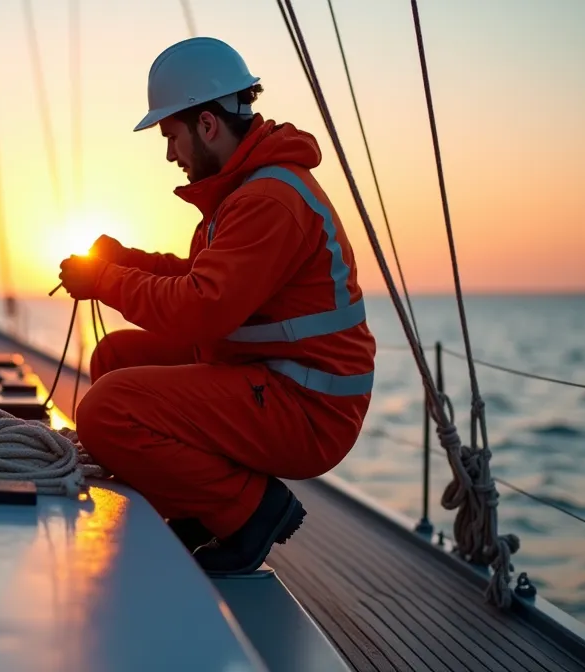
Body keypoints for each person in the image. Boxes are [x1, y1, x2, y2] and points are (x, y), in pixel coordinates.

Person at [58, 37, 376, 575]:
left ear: (207, 125)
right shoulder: (245, 192)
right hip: (271, 379)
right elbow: (201, 280)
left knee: (107, 409)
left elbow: (200, 309)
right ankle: (197, 509)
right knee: (116, 359)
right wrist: (125, 260)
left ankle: (251, 513)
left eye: (170, 135)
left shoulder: (267, 200)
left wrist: (105, 279)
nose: (169, 154)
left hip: (308, 409)